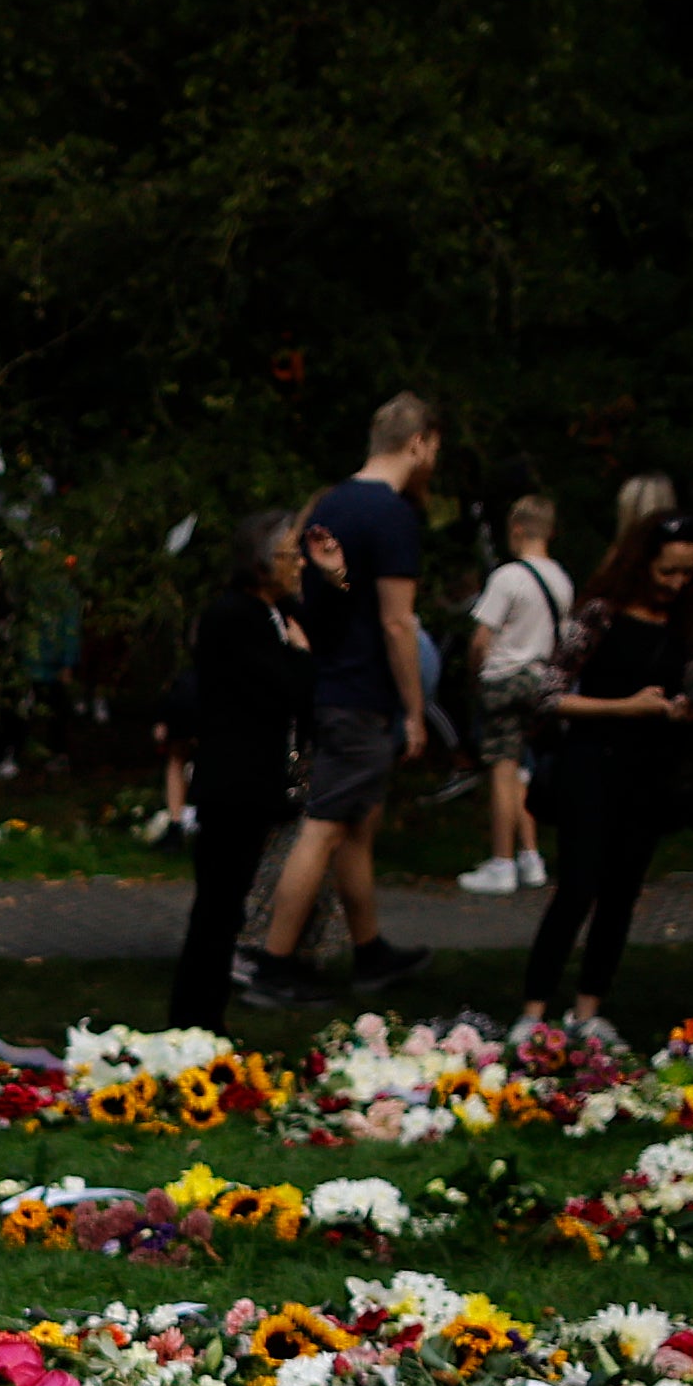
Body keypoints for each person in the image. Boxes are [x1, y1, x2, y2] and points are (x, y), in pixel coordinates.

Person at [249, 393, 444, 1002]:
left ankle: (370, 952)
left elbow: (330, 600)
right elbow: (396, 622)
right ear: (418, 443)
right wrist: (415, 710)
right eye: (435, 448)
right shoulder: (391, 515)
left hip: (330, 686)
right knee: (326, 826)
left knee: (355, 825)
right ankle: (274, 965)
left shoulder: (331, 505)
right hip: (360, 695)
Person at [520, 515, 693, 1023]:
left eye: (686, 573)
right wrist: (625, 707)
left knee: (621, 895)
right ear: (642, 563)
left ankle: (588, 1013)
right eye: (667, 571)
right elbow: (547, 697)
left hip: (648, 776)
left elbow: (689, 687)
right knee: (578, 887)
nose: (676, 584)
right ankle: (533, 1012)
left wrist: (683, 710)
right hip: (590, 767)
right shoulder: (601, 615)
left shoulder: (682, 625)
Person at [172, 509, 321, 1025]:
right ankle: (195, 1018)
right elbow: (282, 693)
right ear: (262, 563)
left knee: (227, 905)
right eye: (289, 555)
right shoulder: (236, 617)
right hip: (232, 784)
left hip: (250, 781)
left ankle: (204, 1017)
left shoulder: (270, 614)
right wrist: (300, 658)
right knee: (217, 906)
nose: (299, 564)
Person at [458, 494, 570, 893]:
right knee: (522, 770)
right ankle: (530, 856)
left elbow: (480, 638)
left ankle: (502, 862)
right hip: (539, 680)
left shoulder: (508, 577)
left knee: (502, 771)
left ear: (517, 529)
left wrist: (474, 675)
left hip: (504, 678)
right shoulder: (561, 579)